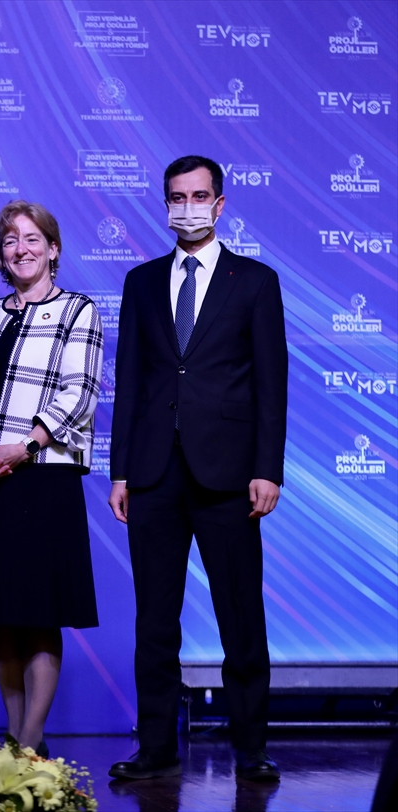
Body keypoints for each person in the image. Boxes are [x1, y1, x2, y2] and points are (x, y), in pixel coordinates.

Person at [107, 156, 287, 782]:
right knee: (154, 619)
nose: (188, 207)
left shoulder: (255, 281)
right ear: (165, 205)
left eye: (199, 195)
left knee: (241, 617)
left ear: (220, 204)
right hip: (153, 473)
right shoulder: (140, 282)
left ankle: (251, 750)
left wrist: (268, 469)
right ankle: (156, 748)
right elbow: (129, 381)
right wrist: (121, 471)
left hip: (229, 474)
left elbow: (271, 384)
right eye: (177, 197)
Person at [0, 200, 103, 758]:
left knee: (38, 612)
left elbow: (80, 394)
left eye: (33, 239)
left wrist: (24, 447)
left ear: (53, 249)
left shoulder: (78, 310)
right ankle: (13, 737)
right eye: (10, 241)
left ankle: (32, 742)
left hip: (42, 478)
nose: (21, 249)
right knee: (1, 613)